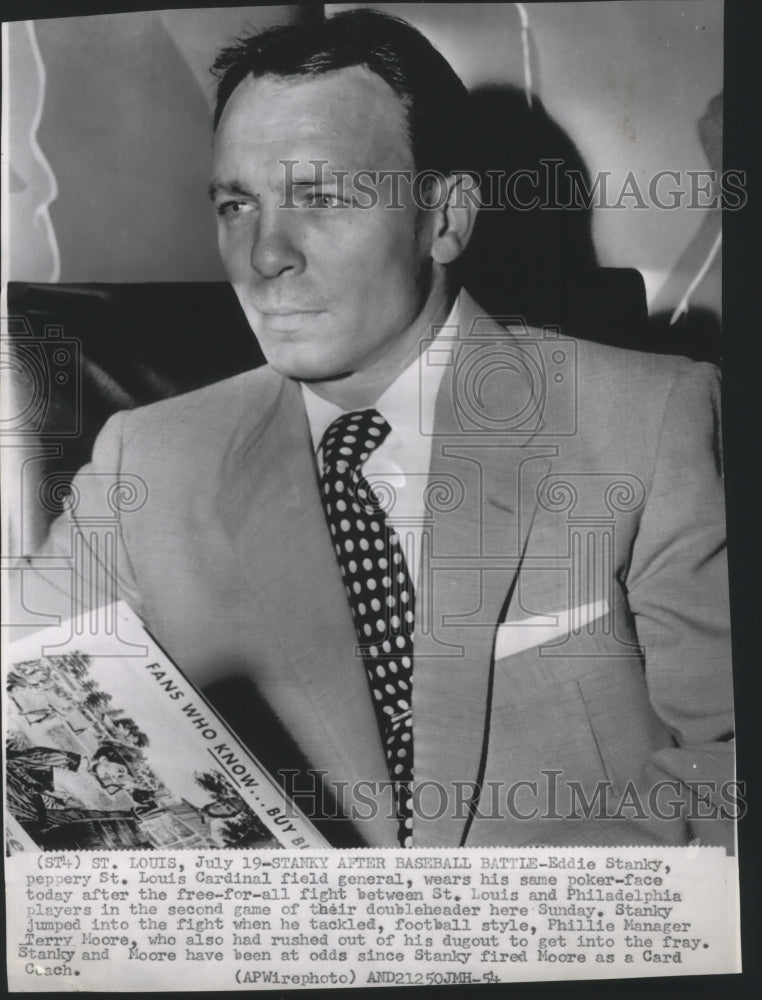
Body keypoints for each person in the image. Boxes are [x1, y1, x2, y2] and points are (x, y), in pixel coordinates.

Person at [12, 9, 733, 849]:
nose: (263, 255)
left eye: (318, 196)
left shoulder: (648, 419)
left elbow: (729, 760)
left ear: (444, 219)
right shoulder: (146, 463)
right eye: (236, 204)